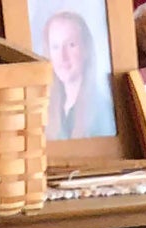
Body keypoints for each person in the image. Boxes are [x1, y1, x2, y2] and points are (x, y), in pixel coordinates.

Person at [43, 6, 115, 138]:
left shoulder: (101, 110)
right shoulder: (45, 108)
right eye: (55, 47)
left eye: (71, 45)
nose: (62, 56)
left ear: (86, 49)